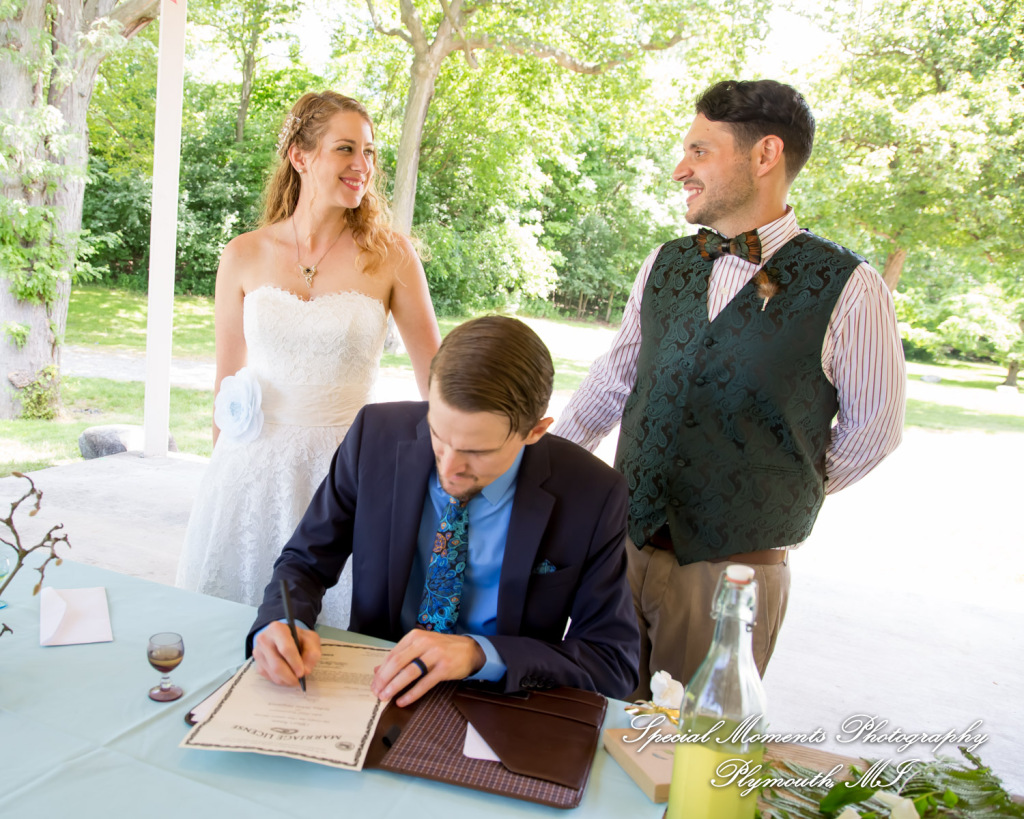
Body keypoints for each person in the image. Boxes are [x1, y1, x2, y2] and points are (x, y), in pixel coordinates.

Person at [553, 79, 906, 698]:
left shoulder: (851, 287)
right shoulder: (663, 263)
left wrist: (775, 490)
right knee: (591, 726)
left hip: (732, 581)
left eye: (699, 151)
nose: (679, 170)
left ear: (765, 155)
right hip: (621, 553)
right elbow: (614, 381)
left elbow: (873, 432)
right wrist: (548, 468)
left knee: (691, 748)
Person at [248, 316, 640, 704]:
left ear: (535, 432)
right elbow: (305, 561)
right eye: (438, 434)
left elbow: (613, 662)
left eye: (476, 451)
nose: (449, 468)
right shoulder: (375, 435)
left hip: (505, 705)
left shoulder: (593, 495)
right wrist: (282, 621)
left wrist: (480, 655)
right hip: (374, 687)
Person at [176, 91, 441, 627]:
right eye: (346, 148)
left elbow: (436, 380)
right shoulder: (243, 254)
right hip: (249, 473)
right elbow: (227, 380)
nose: (363, 165)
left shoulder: (392, 256)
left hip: (347, 472)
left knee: (338, 635)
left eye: (369, 151)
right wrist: (219, 481)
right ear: (300, 156)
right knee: (233, 623)